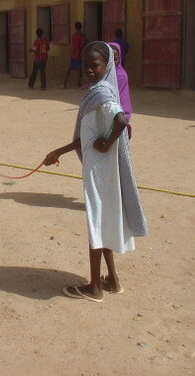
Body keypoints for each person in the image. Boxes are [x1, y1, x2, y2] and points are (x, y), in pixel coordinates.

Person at [44, 41, 147, 303]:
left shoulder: (102, 93)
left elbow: (121, 120)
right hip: (101, 169)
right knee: (104, 222)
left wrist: (107, 144)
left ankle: (94, 288)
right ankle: (112, 279)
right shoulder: (99, 91)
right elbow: (88, 136)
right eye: (86, 65)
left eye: (95, 65)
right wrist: (59, 152)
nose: (89, 70)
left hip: (100, 171)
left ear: (107, 66)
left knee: (96, 224)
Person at [62, 21, 86, 89]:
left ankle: (64, 83)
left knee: (69, 69)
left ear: (75, 28)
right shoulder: (82, 36)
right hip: (78, 54)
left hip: (73, 54)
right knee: (80, 70)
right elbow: (82, 46)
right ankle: (79, 84)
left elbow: (73, 44)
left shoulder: (74, 35)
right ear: (81, 27)